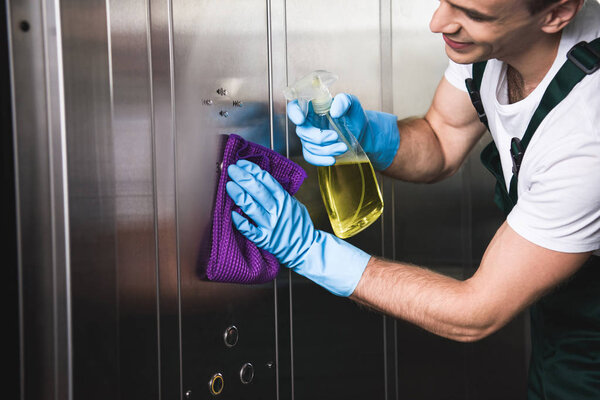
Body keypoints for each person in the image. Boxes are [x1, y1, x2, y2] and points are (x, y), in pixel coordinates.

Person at [225, 0, 600, 398]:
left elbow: (475, 312)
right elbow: (442, 137)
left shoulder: (586, 136)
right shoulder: (490, 42)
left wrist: (309, 251)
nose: (439, 23)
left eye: (473, 15)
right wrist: (367, 135)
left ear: (557, 14)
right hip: (559, 327)